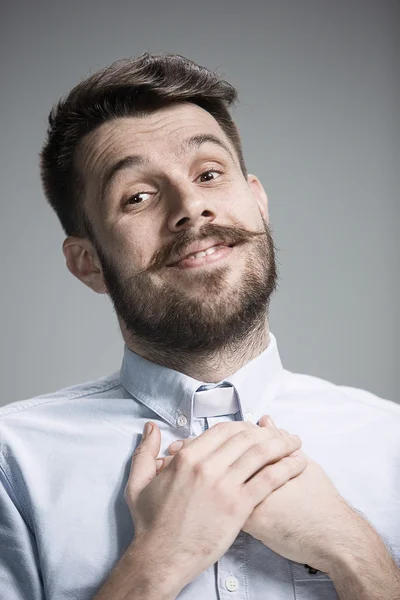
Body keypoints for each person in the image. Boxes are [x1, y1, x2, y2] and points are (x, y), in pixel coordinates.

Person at [0, 53, 399, 600]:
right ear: (87, 261)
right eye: (138, 196)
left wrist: (355, 551)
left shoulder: (391, 444)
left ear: (257, 199)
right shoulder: (11, 466)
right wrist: (159, 561)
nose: (192, 207)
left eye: (210, 174)